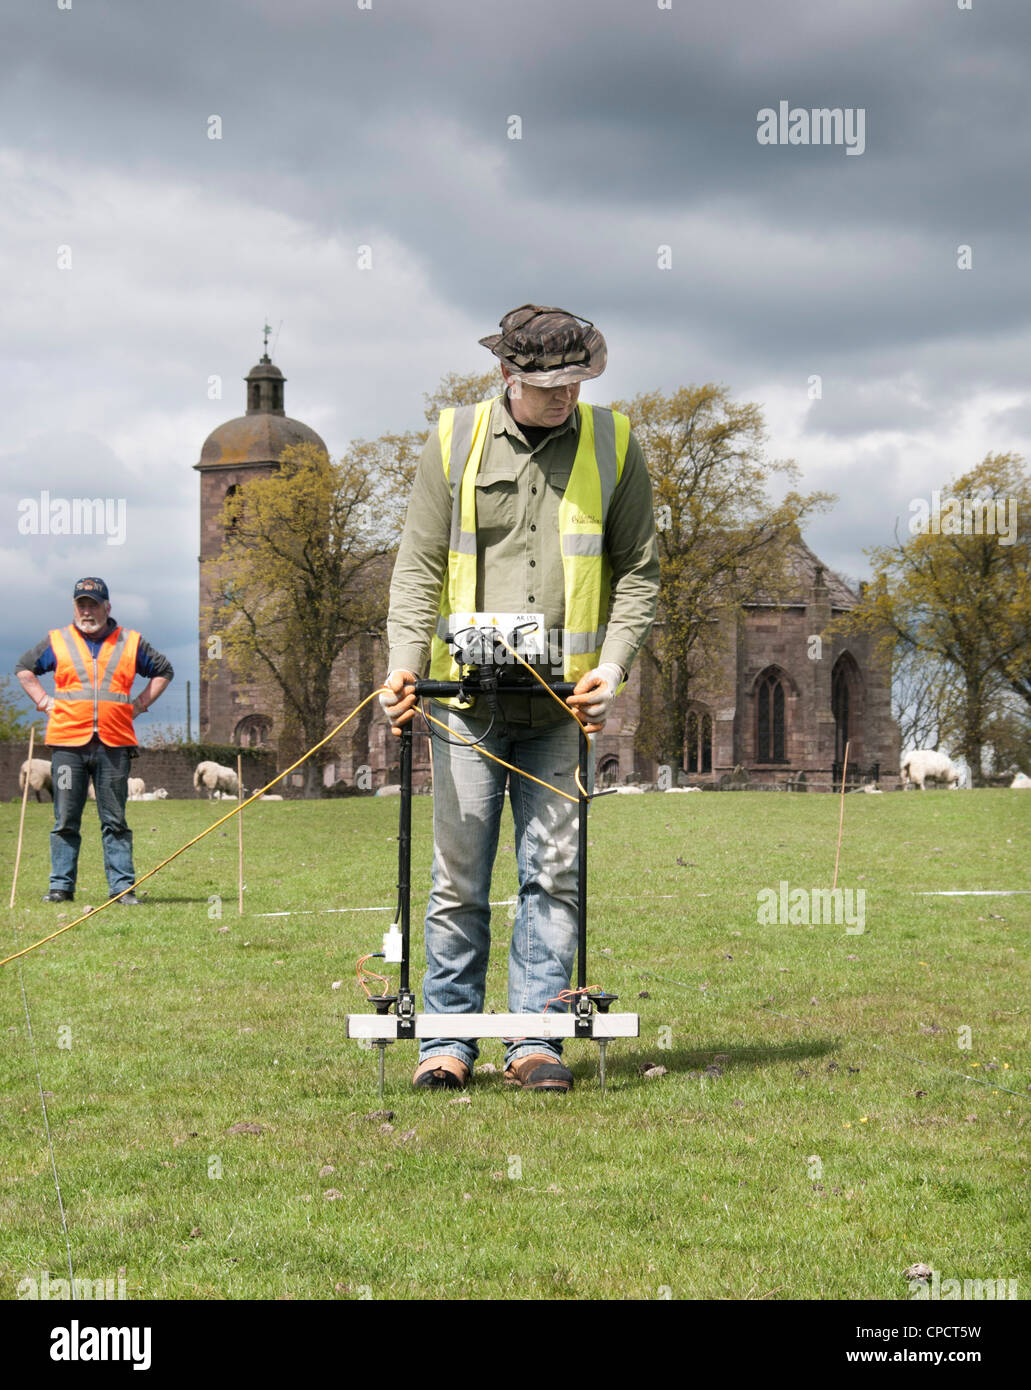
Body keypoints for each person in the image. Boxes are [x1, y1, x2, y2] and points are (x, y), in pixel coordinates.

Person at [381, 304, 659, 1093]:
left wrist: (612, 666)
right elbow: (417, 565)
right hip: (463, 705)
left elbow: (638, 569)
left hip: (560, 712)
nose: (563, 396)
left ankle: (534, 1040)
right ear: (506, 375)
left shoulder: (614, 442)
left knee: (553, 873)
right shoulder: (452, 439)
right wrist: (403, 670)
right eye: (547, 385)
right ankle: (446, 1041)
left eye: (575, 381)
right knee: (458, 876)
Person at [15, 577, 174, 906]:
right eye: (81, 605)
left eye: (93, 604)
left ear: (107, 607)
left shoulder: (130, 642)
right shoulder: (57, 640)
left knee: (115, 820)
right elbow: (24, 669)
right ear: (75, 607)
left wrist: (141, 704)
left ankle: (122, 889)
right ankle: (60, 888)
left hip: (114, 747)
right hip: (66, 749)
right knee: (64, 819)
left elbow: (164, 670)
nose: (87, 611)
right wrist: (44, 702)